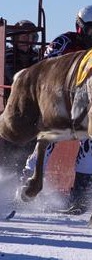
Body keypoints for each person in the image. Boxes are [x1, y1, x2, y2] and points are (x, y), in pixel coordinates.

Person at [22, 5, 92, 214]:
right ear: (80, 28)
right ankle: (26, 186)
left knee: (90, 141)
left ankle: (81, 196)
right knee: (48, 140)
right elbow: (47, 68)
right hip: (57, 100)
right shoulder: (64, 42)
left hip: (86, 104)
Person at [1, 20, 39, 175]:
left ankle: (22, 182)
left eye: (32, 39)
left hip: (31, 111)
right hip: (10, 108)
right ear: (15, 39)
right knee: (8, 148)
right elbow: (13, 77)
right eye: (24, 38)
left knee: (29, 148)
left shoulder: (37, 57)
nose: (28, 43)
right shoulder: (8, 56)